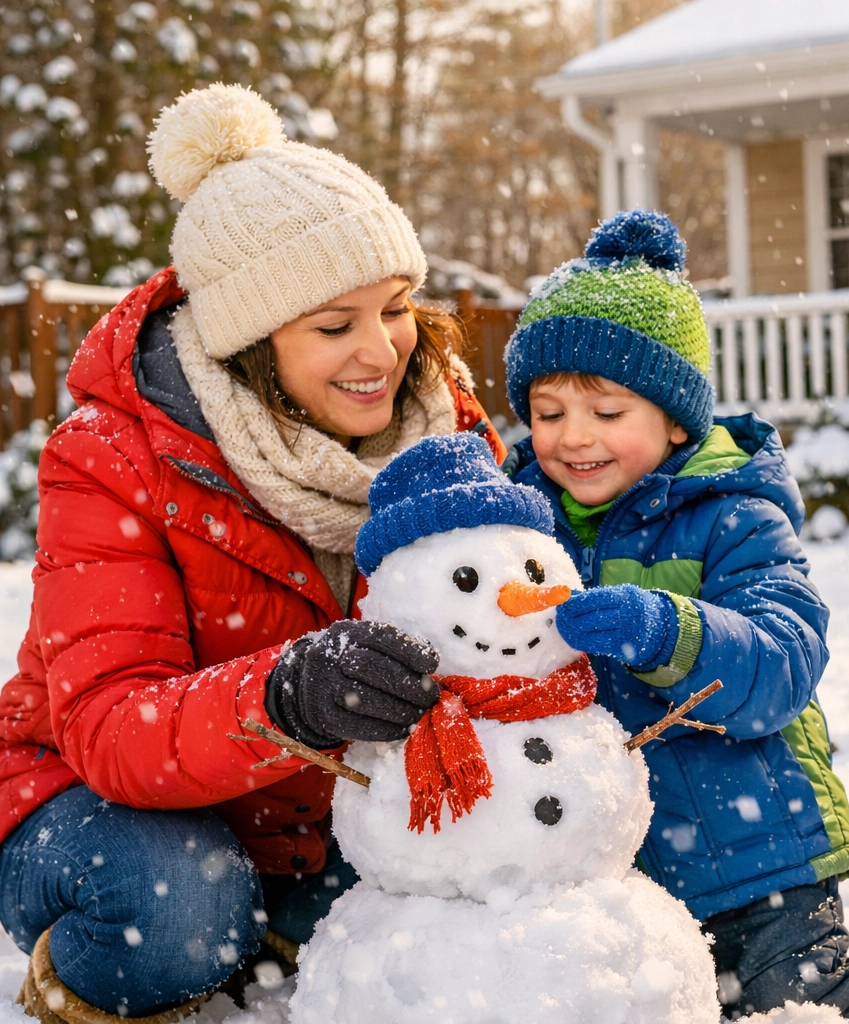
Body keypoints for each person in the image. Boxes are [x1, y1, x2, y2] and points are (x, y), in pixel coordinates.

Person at [0, 84, 503, 1022]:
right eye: (333, 324)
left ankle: (274, 916)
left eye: (395, 308)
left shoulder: (446, 440)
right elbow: (111, 725)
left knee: (441, 915)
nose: (383, 351)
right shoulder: (114, 460)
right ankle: (89, 969)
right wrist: (284, 697)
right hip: (91, 803)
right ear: (248, 344)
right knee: (176, 912)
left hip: (312, 816)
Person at [501, 209, 849, 1021]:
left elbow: (782, 660)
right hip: (609, 874)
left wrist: (671, 631)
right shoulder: (515, 530)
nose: (574, 437)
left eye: (607, 413)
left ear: (677, 419)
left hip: (758, 862)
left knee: (801, 1006)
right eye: (548, 412)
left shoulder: (735, 517)